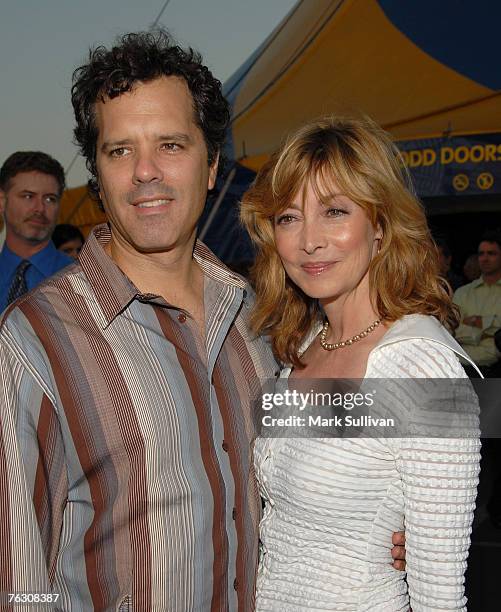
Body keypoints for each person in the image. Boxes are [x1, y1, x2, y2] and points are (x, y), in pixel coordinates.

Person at [0, 33, 405, 611]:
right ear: (98, 173)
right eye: (119, 151)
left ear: (212, 163)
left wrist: (394, 513)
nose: (145, 172)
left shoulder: (261, 317)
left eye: (171, 144)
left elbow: (379, 413)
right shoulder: (33, 340)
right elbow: (14, 578)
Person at [241, 116, 481, 611]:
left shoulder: (422, 365)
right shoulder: (300, 345)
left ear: (380, 227)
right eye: (288, 217)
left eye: (334, 211)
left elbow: (440, 594)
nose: (309, 240)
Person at [0, 151, 72, 312]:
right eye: (28, 196)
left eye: (49, 199)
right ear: (2, 202)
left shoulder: (82, 283)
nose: (39, 208)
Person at [453, 230, 501, 373]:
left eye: (491, 253)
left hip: (496, 369)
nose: (485, 258)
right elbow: (452, 330)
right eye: (481, 254)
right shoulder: (462, 292)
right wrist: (489, 328)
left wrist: (471, 322)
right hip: (461, 368)